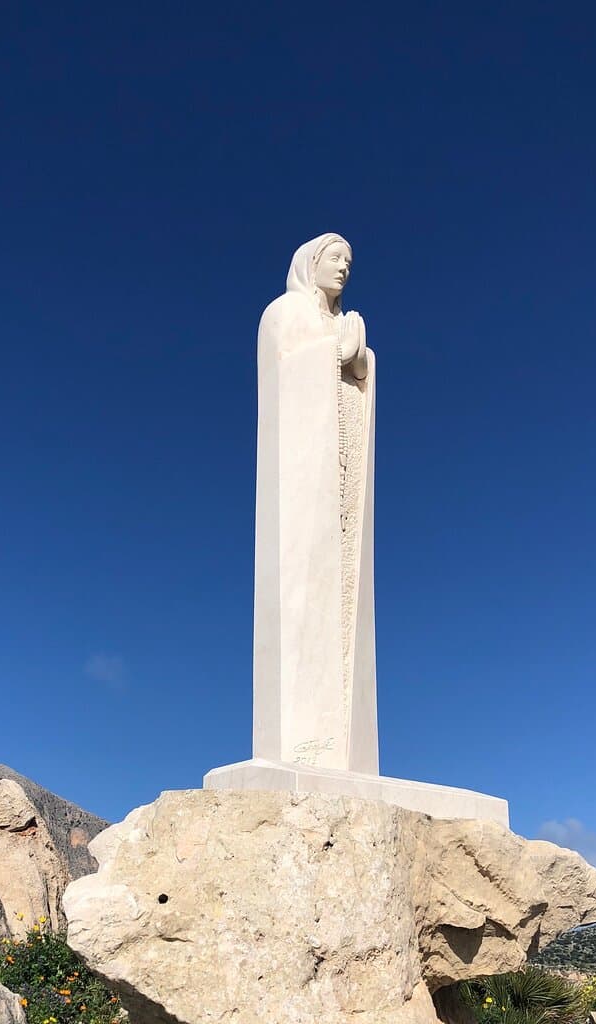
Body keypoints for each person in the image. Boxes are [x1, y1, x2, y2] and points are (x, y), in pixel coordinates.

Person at [252, 234, 379, 775]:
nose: (344, 269)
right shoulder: (283, 312)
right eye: (335, 259)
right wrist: (334, 353)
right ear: (310, 263)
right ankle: (303, 744)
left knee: (345, 603)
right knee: (302, 597)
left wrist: (359, 360)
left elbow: (355, 370)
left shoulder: (344, 322)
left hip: (342, 481)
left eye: (350, 263)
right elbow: (281, 373)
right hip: (300, 488)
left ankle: (343, 751)